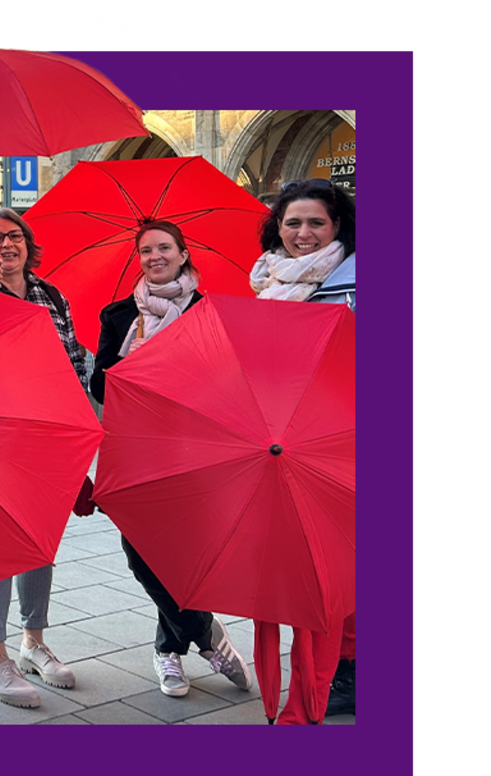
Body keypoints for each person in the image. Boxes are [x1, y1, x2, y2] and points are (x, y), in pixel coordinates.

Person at [90, 219, 252, 699]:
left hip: (195, 449)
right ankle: (205, 632)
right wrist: (128, 363)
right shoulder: (119, 316)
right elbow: (98, 385)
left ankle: (167, 651)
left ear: (183, 255)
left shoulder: (209, 312)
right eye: (145, 251)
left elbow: (228, 382)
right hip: (135, 448)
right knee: (140, 556)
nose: (154, 257)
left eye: (164, 248)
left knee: (183, 553)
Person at [0, 208, 89, 707]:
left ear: (28, 245)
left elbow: (75, 359)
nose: (7, 245)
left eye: (15, 237)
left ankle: (33, 642)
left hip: (48, 437)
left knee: (39, 544)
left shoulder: (51, 295)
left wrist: (80, 431)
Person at [251, 179, 356, 721]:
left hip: (344, 444)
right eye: (293, 222)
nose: (303, 233)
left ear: (337, 227)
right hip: (284, 443)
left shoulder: (356, 284)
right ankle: (340, 675)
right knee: (317, 573)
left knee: (335, 572)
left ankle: (333, 678)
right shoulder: (266, 283)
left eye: (316, 222)